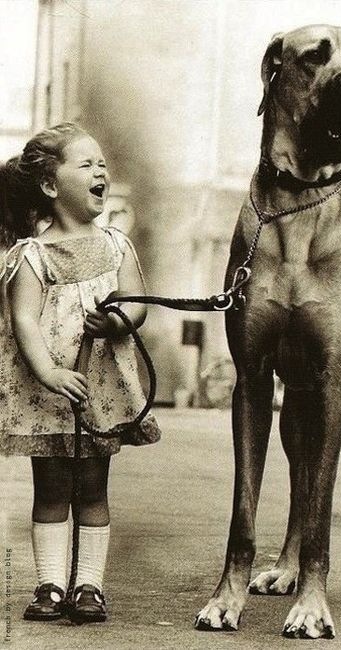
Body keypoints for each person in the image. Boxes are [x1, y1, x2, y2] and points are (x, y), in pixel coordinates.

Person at [0, 122, 161, 623]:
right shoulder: (32, 255)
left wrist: (117, 321)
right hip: (51, 395)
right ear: (50, 185)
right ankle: (50, 585)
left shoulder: (117, 246)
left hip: (99, 393)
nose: (100, 171)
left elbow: (135, 304)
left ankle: (90, 586)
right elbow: (23, 319)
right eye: (87, 164)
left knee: (93, 488)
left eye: (102, 164)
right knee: (51, 490)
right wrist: (48, 372)